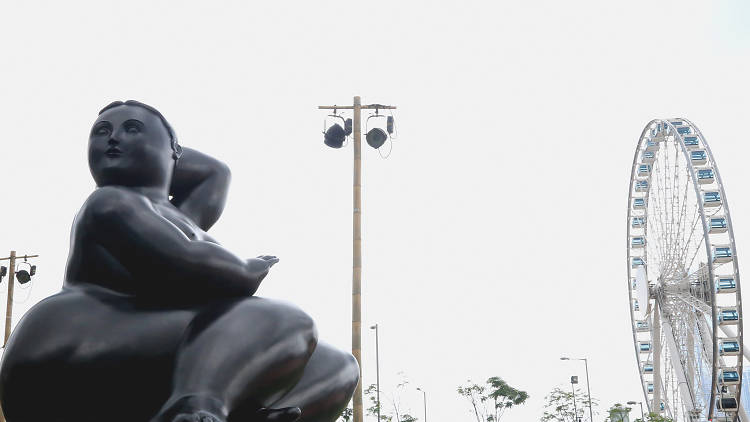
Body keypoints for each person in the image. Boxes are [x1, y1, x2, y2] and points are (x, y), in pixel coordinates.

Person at [0, 101, 359, 422]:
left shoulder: (172, 213)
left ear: (174, 152)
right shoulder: (111, 202)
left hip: (134, 344)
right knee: (281, 319)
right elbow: (187, 262)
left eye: (132, 129)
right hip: (67, 347)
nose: (114, 139)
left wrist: (167, 153)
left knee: (337, 365)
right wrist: (252, 268)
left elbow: (215, 174)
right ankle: (195, 408)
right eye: (102, 132)